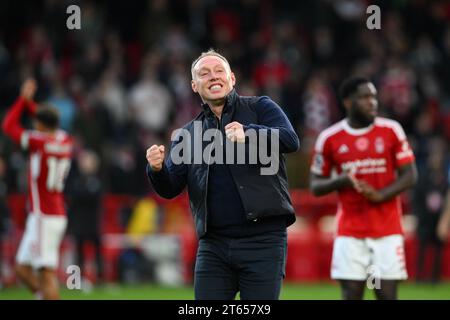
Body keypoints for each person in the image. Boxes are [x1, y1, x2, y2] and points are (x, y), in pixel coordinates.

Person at [146, 49, 300, 300]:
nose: (213, 77)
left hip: (263, 240)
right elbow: (170, 188)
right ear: (195, 86)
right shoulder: (187, 134)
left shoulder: (261, 107)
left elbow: (291, 140)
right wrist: (156, 169)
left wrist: (249, 133)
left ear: (232, 79)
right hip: (213, 245)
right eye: (204, 74)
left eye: (219, 71)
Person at [309, 77, 418, 300]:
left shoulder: (391, 130)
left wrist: (380, 195)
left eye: (374, 97)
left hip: (386, 231)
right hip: (351, 234)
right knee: (352, 295)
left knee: (385, 295)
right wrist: (341, 181)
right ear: (348, 102)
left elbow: (410, 175)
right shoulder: (329, 138)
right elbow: (316, 186)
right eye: (365, 97)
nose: (372, 102)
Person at [2, 79, 73, 299]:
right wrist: (32, 105)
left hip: (44, 215)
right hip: (53, 213)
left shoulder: (37, 141)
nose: (34, 124)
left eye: (36, 122)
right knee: (22, 269)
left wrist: (23, 100)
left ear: (41, 125)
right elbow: (46, 119)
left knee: (46, 273)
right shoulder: (65, 140)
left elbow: (8, 126)